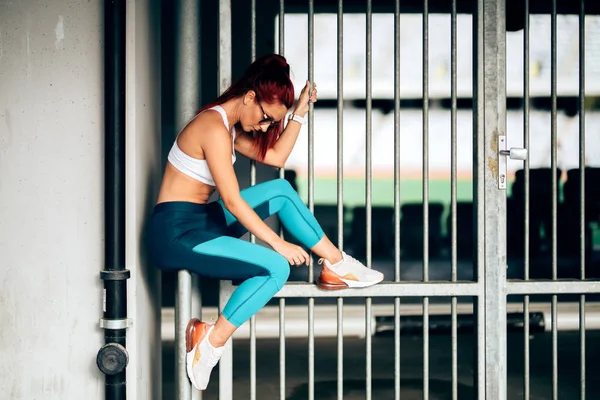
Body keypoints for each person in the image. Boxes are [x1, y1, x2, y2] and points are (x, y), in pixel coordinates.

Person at [148, 54, 384, 391]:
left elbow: (275, 158)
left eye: (272, 123)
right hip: (175, 232)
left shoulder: (227, 127)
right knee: (276, 266)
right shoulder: (212, 126)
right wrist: (278, 242)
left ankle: (337, 264)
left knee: (281, 191)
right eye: (265, 118)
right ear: (249, 97)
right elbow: (231, 200)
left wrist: (298, 113)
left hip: (201, 221)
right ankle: (208, 343)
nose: (265, 128)